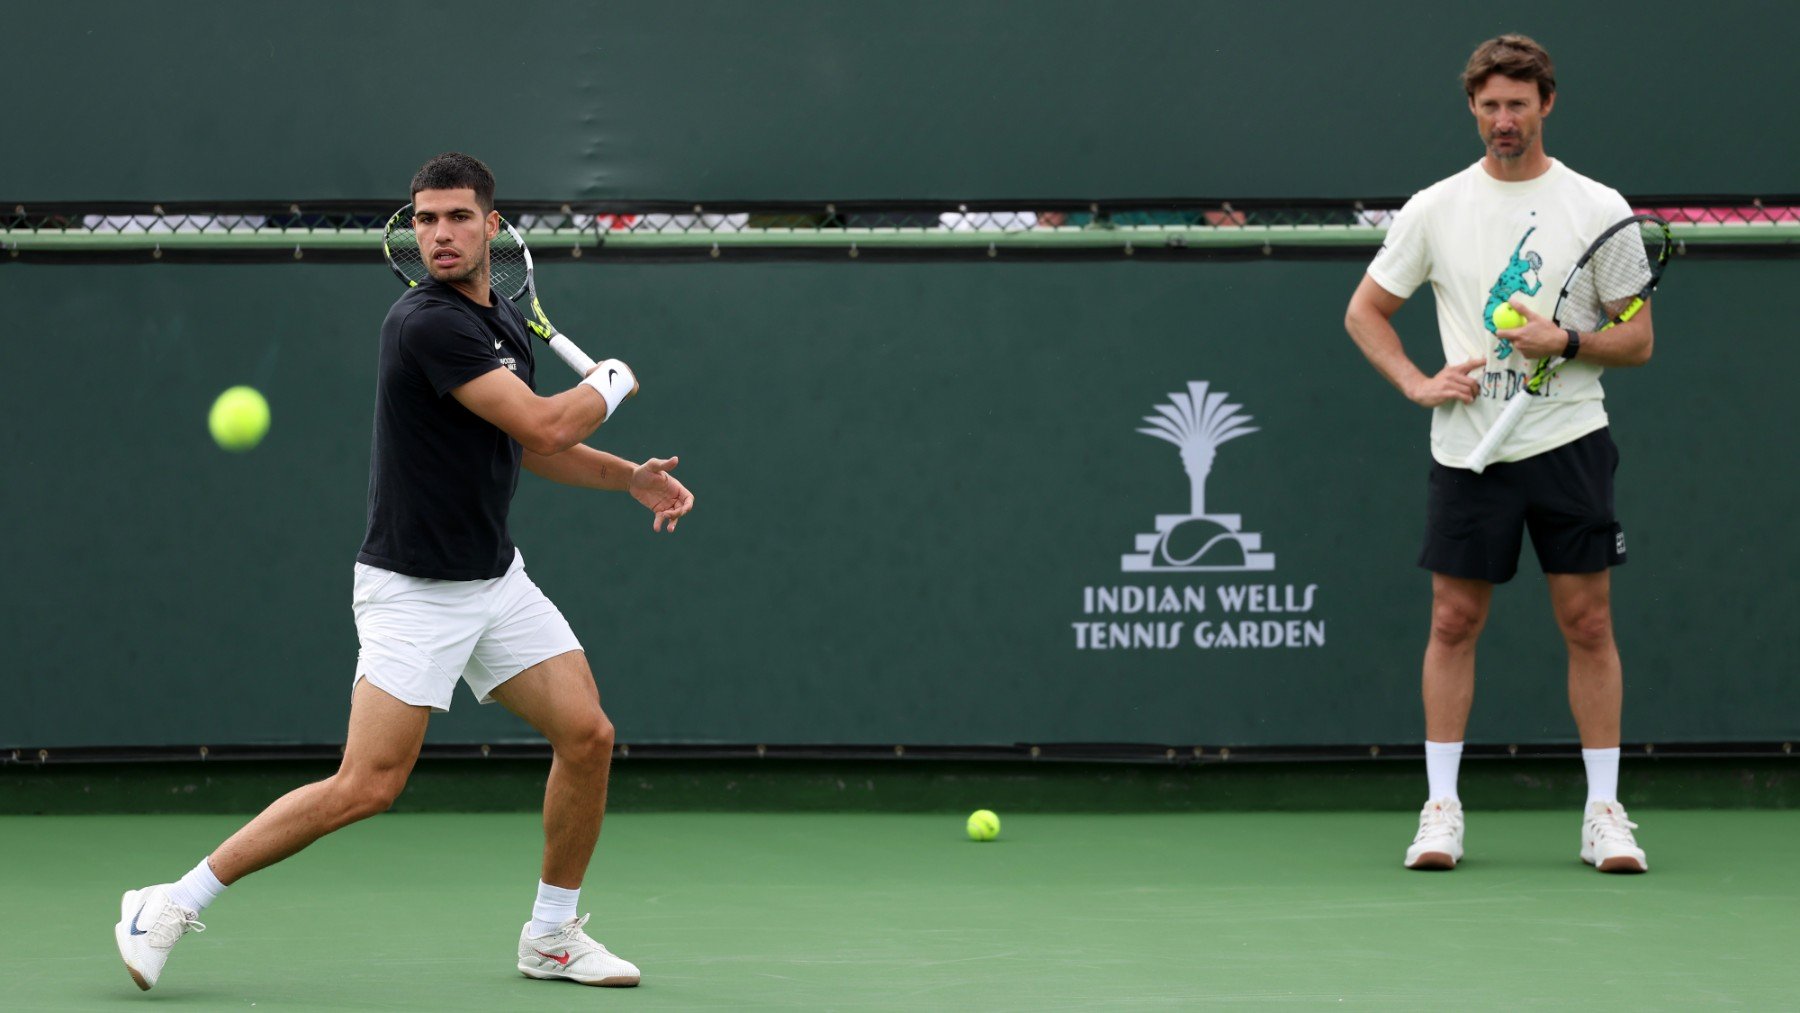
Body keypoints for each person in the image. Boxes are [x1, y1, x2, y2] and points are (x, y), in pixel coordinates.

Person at [114, 152, 694, 991]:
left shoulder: (496, 324)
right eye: (425, 220)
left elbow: (531, 447)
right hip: (413, 592)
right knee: (368, 785)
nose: (441, 234)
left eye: (458, 217)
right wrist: (608, 381)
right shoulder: (425, 324)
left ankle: (552, 935)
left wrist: (628, 476)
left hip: (494, 582)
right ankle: (168, 899)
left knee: (588, 734)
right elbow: (543, 426)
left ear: (493, 227)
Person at [1342, 36, 1653, 874]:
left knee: (1588, 623)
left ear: (1546, 103)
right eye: (1490, 106)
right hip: (1469, 449)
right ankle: (1441, 808)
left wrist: (1568, 338)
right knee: (1454, 619)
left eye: (1519, 104)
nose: (1504, 120)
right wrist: (1417, 382)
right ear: (1472, 109)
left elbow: (1639, 338)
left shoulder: (1598, 206)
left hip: (1570, 442)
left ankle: (1605, 813)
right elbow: (1366, 312)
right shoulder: (1434, 208)